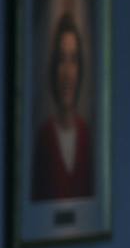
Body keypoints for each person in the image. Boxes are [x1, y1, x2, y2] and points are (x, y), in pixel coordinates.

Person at [31, 12, 94, 200]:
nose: (67, 73)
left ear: (80, 69)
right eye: (62, 60)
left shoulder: (86, 135)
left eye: (73, 60)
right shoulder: (44, 137)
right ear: (53, 68)